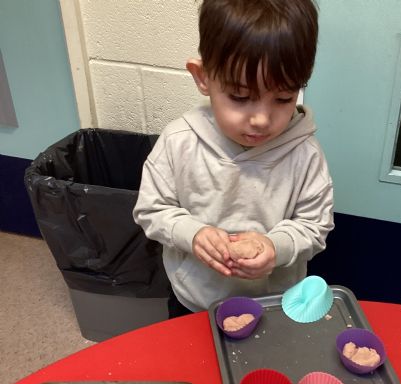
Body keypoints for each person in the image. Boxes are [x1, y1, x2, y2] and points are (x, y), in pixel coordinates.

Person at [133, 0, 334, 317]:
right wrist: (192, 233)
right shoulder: (178, 142)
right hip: (194, 299)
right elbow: (151, 210)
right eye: (240, 97)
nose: (261, 120)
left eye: (284, 98)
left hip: (277, 302)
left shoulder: (305, 153)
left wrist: (276, 247)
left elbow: (315, 226)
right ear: (203, 78)